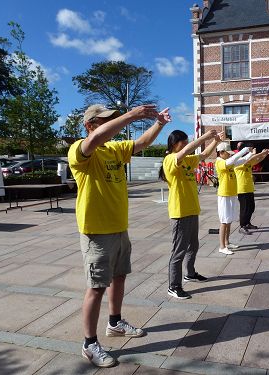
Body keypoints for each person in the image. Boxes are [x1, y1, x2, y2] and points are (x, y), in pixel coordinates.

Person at [68, 103, 171, 368]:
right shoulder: (81, 150)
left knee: (119, 277)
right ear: (89, 125)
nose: (111, 124)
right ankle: (89, 344)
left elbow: (141, 143)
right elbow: (94, 140)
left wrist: (159, 123)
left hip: (119, 227)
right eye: (104, 121)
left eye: (111, 120)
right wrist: (130, 115)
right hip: (96, 232)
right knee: (97, 287)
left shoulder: (114, 149)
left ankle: (115, 323)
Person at [160, 129, 223, 299]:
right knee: (178, 251)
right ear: (174, 144)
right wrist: (204, 136)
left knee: (193, 246)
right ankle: (173, 286)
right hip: (180, 212)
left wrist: (215, 142)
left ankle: (190, 273)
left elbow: (203, 154)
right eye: (184, 141)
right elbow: (185, 152)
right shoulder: (170, 160)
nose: (187, 144)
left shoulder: (188, 160)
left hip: (192, 210)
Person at [215, 142, 252, 255]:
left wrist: (250, 153)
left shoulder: (228, 162)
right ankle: (222, 246)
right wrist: (244, 150)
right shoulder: (220, 162)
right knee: (224, 221)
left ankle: (227, 242)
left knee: (229, 220)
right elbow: (232, 160)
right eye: (227, 153)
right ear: (221, 153)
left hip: (231, 194)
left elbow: (241, 161)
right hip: (224, 195)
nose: (229, 155)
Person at [235, 145, 269, 235]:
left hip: (249, 188)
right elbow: (251, 159)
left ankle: (247, 223)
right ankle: (242, 226)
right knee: (244, 208)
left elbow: (257, 160)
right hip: (242, 189)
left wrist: (264, 155)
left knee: (251, 207)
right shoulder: (238, 162)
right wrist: (261, 153)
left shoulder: (247, 162)